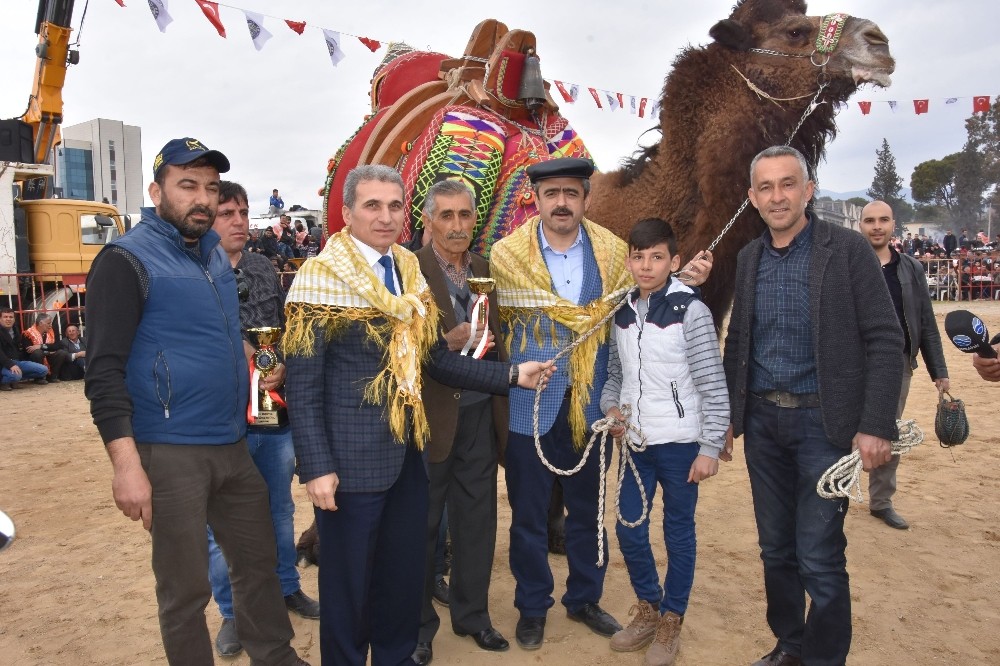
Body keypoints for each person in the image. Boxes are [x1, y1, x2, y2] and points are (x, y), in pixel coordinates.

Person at [282, 164, 553, 666]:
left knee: (402, 578)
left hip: (410, 454)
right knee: (348, 588)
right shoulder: (318, 279)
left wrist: (514, 376)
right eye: (372, 206)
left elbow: (436, 359)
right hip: (350, 467)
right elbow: (304, 385)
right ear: (347, 213)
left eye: (393, 206)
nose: (385, 217)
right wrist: (316, 467)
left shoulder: (406, 270)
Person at [85, 137, 308, 666]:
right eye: (188, 186)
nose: (202, 199)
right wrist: (127, 467)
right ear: (157, 190)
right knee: (184, 591)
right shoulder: (125, 260)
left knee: (259, 567)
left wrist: (257, 359)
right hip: (169, 450)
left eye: (210, 187)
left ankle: (276, 657)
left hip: (234, 441)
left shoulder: (210, 252)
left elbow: (224, 332)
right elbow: (103, 373)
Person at [490, 157, 714, 650]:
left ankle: (584, 598)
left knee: (589, 511)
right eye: (552, 194)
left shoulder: (616, 253)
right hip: (533, 403)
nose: (562, 203)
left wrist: (685, 280)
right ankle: (532, 606)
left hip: (595, 406)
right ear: (538, 200)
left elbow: (648, 290)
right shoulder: (505, 255)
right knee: (527, 513)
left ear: (586, 198)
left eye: (571, 193)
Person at [723, 146, 903, 666]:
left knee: (820, 556)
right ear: (752, 198)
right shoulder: (748, 257)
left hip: (824, 426)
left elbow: (885, 339)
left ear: (808, 190)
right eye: (766, 187)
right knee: (775, 551)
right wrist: (732, 419)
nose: (777, 196)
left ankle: (825, 659)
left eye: (787, 184)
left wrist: (875, 425)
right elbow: (739, 341)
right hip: (762, 424)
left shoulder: (846, 250)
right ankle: (790, 644)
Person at [600, 218, 729, 666]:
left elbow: (712, 382)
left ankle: (673, 619)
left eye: (657, 257)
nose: (646, 265)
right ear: (629, 260)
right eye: (638, 256)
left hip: (680, 443)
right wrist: (611, 409)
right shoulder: (621, 311)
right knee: (628, 528)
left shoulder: (690, 311)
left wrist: (711, 447)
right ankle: (649, 608)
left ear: (674, 262)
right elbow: (615, 375)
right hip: (635, 442)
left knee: (678, 532)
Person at [206, 181, 320, 658]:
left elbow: (286, 332)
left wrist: (285, 365)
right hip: (219, 421)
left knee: (279, 509)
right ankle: (233, 614)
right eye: (226, 212)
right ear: (207, 217)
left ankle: (287, 587)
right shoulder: (192, 270)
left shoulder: (263, 267)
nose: (236, 221)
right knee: (219, 526)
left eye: (242, 212)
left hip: (272, 413)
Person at [412, 180, 510, 664]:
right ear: (428, 220)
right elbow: (400, 348)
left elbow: (501, 340)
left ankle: (473, 617)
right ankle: (418, 629)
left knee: (477, 523)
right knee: (422, 527)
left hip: (479, 414)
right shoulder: (409, 269)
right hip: (430, 419)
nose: (455, 225)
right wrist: (441, 343)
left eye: (464, 215)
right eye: (445, 215)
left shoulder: (486, 271)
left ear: (475, 219)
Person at [859, 200, 949, 530]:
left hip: (896, 364)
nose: (877, 226)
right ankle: (832, 496)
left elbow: (925, 322)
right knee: (837, 431)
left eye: (883, 220)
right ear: (861, 226)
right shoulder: (847, 265)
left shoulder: (911, 269)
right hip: (851, 361)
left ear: (893, 224)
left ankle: (881, 501)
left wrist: (938, 370)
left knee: (887, 432)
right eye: (870, 220)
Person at [0, 306, 49, 389]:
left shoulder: (15, 330)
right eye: (5, 317)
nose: (8, 319)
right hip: (3, 364)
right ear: (0, 319)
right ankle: (4, 382)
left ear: (14, 319)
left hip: (16, 362)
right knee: (15, 376)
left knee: (43, 370)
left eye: (11, 317)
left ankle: (14, 378)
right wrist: (10, 365)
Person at [22, 312, 70, 382]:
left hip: (48, 356)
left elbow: (58, 346)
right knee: (38, 353)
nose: (50, 325)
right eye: (48, 323)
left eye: (50, 323)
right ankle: (39, 378)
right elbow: (29, 350)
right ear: (41, 323)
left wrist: (41, 346)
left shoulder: (51, 332)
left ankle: (52, 377)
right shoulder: (28, 333)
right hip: (33, 359)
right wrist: (46, 350)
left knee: (61, 353)